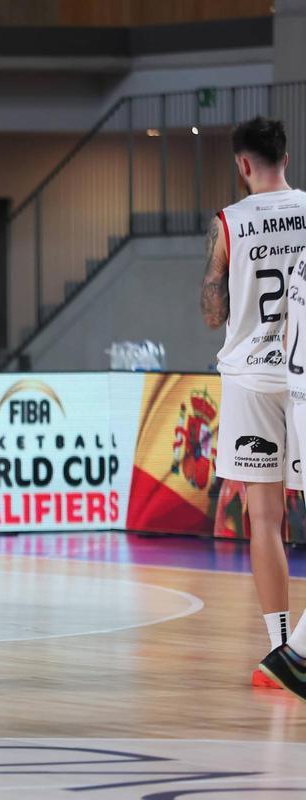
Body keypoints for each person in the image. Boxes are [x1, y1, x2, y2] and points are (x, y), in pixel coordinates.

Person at [199, 117, 306, 693]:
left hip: (250, 379)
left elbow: (213, 313)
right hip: (305, 376)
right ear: (285, 157)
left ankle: (280, 647)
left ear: (243, 164)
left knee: (266, 521)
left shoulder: (230, 223)